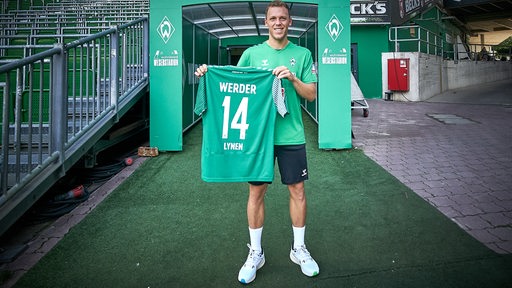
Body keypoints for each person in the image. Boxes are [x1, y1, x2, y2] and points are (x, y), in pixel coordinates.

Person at [195, 0, 318, 284]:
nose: (278, 22)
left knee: (297, 190)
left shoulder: (301, 54)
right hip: (257, 138)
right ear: (266, 23)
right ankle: (256, 253)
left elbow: (310, 94)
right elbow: (236, 86)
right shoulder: (251, 54)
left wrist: (293, 78)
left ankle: (298, 248)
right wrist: (208, 74)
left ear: (289, 22)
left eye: (283, 18)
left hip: (291, 135)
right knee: (256, 193)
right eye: (273, 18)